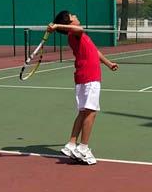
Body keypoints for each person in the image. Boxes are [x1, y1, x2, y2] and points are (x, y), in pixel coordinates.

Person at [47, 10, 118, 165]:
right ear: (69, 22)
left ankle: (71, 144)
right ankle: (84, 148)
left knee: (83, 112)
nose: (76, 16)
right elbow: (79, 29)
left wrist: (108, 63)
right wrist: (58, 25)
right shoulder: (75, 34)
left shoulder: (79, 35)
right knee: (91, 112)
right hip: (89, 76)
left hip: (83, 76)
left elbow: (95, 51)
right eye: (73, 16)